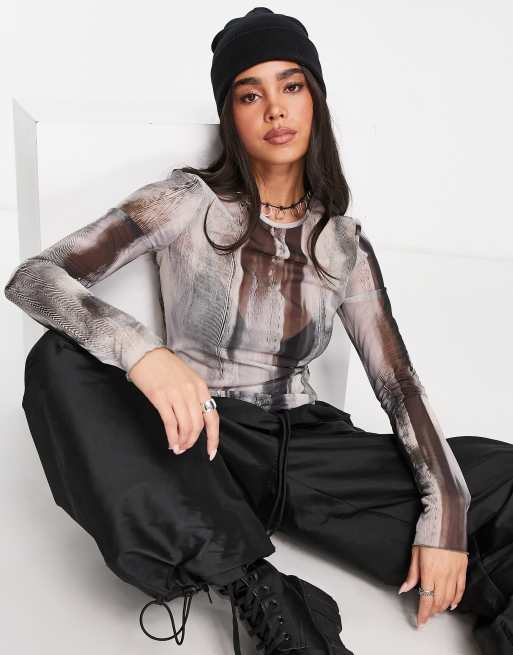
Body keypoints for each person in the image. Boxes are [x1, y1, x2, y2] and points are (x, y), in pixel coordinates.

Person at [4, 7, 513, 655]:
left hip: (308, 449)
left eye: (291, 85)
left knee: (500, 476)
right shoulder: (185, 200)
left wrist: (445, 513)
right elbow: (35, 278)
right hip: (199, 433)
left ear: (314, 99)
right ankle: (260, 590)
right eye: (250, 94)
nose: (275, 108)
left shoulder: (342, 242)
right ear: (231, 115)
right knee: (57, 360)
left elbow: (398, 385)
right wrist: (145, 355)